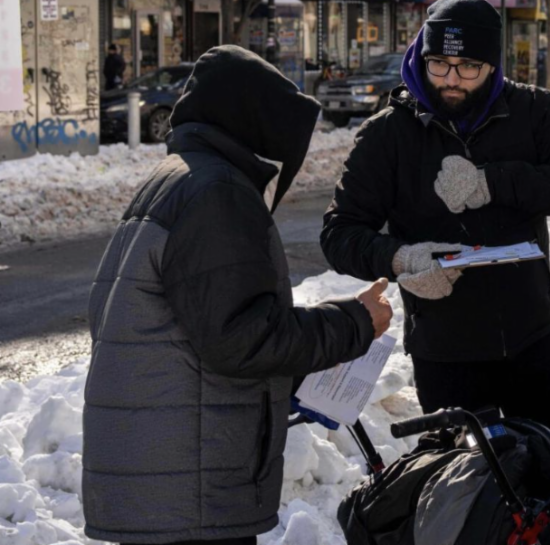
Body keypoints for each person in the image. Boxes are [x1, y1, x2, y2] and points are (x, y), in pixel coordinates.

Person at [83, 45, 393, 545]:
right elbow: (241, 338)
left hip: (164, 472)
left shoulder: (178, 179)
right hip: (189, 483)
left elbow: (203, 323)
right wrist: (354, 323)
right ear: (255, 126)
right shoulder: (218, 193)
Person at [321, 0, 550, 448]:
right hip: (446, 356)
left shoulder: (532, 112)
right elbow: (339, 233)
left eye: (468, 67)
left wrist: (493, 182)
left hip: (532, 339)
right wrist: (401, 259)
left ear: (493, 65)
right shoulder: (387, 135)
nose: (451, 79)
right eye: (439, 63)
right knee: (465, 482)